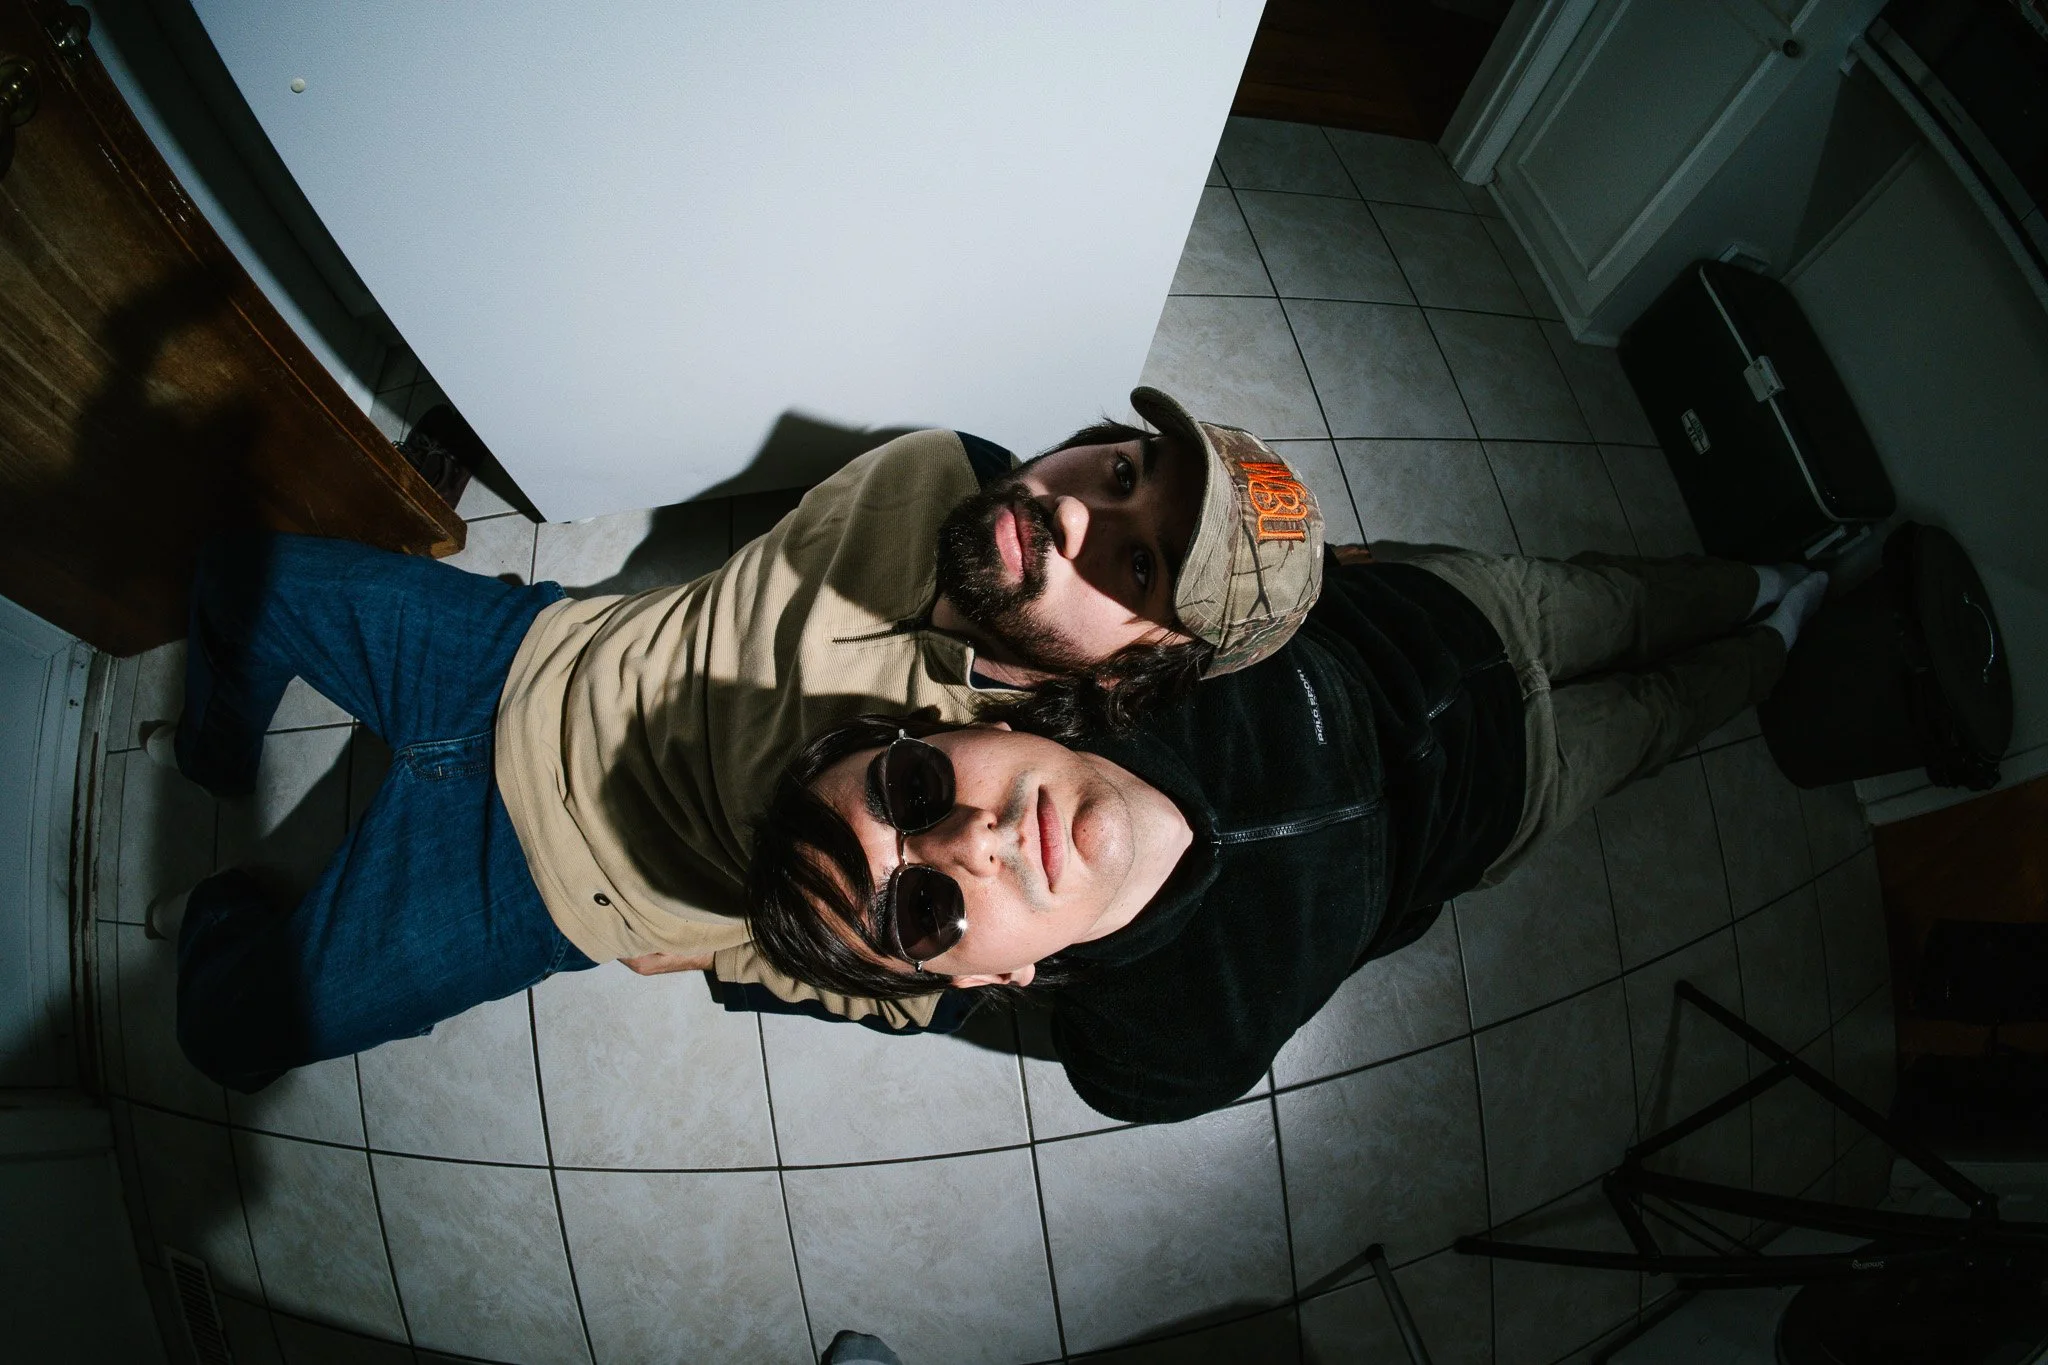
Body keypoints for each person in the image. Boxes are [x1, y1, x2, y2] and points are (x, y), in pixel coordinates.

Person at [150, 389, 1325, 1091]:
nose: (1073, 511)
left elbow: (896, 986)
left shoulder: (1012, 801)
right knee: (236, 578)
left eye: (1135, 565)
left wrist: (726, 960)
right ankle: (213, 754)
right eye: (1121, 471)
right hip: (526, 654)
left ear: (1131, 669)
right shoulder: (934, 470)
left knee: (222, 1033)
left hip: (553, 885)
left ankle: (230, 909)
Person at [743, 544, 1832, 1123]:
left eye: (914, 788)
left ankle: (1779, 571)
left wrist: (1345, 570)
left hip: (1460, 612)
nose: (972, 840)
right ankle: (1784, 637)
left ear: (959, 727)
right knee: (1661, 715)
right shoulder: (1159, 1057)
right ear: (994, 977)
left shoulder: (1099, 652)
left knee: (1628, 601)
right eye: (921, 909)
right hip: (1514, 792)